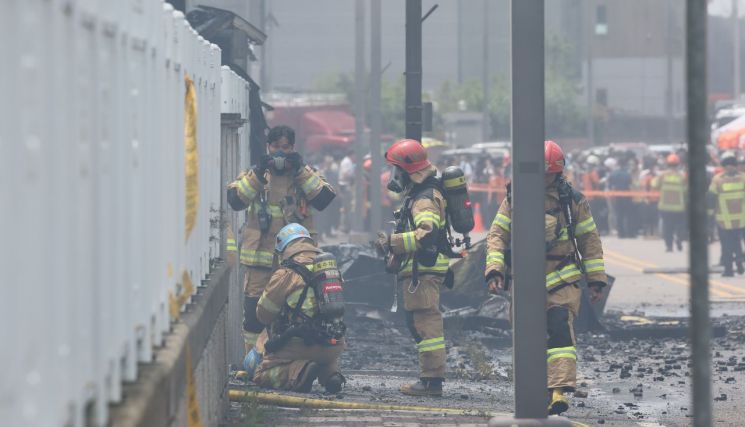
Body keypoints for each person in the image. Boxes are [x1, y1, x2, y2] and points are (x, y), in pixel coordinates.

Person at [485, 140, 608, 415]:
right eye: (541, 174)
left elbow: (589, 240)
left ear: (559, 172)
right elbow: (497, 237)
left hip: (562, 279)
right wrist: (495, 270)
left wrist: (596, 279)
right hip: (525, 280)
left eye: (550, 174)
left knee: (559, 329)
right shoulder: (514, 199)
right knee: (528, 337)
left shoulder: (571, 201)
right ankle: (536, 391)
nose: (545, 179)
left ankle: (559, 391)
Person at [226, 125, 336, 355]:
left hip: (297, 262)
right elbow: (236, 200)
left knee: (298, 310)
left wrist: (299, 170)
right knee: (255, 313)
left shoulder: (304, 175)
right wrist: (258, 172)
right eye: (275, 147)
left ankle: (289, 360)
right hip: (260, 261)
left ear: (293, 148)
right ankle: (252, 362)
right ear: (268, 147)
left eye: (285, 148)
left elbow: (324, 199)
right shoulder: (256, 175)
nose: (280, 153)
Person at [375, 139, 449, 397]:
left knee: (426, 324)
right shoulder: (418, 195)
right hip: (419, 269)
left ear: (408, 171)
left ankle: (432, 382)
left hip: (424, 271)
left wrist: (393, 242)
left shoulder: (424, 199)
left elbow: (427, 234)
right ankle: (430, 379)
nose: (393, 176)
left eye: (396, 170)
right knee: (418, 322)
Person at [252, 223, 346, 393]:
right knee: (323, 357)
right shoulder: (329, 270)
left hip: (299, 345)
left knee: (261, 373)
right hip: (333, 344)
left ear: (283, 248)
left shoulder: (286, 274)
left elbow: (263, 315)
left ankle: (298, 372)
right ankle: (332, 375)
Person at [709, 152, 745, 276]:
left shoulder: (717, 179)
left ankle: (729, 270)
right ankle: (739, 262)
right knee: (736, 242)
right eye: (728, 164)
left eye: (731, 164)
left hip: (724, 220)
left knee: (727, 245)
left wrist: (709, 214)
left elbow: (711, 198)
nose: (729, 167)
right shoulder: (743, 178)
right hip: (740, 220)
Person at [651, 153, 687, 252]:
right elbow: (685, 190)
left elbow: (654, 185)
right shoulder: (682, 176)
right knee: (679, 226)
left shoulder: (663, 175)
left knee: (668, 227)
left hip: (665, 206)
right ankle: (679, 239)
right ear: (678, 164)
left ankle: (669, 246)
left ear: (667, 164)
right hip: (679, 207)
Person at [338, 149, 356, 233]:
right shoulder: (347, 162)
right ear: (351, 155)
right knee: (346, 208)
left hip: (345, 186)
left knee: (346, 208)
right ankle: (344, 227)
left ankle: (345, 226)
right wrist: (353, 178)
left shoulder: (347, 161)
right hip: (345, 186)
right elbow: (345, 174)